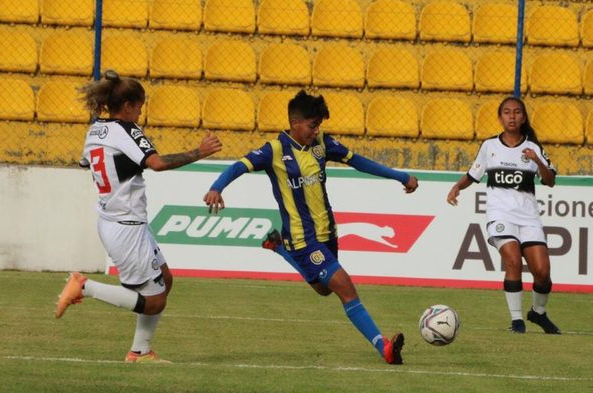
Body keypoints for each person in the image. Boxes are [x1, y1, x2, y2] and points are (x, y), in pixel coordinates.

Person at [204, 90, 418, 364]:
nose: (316, 130)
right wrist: (216, 188)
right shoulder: (274, 151)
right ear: (295, 123)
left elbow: (360, 162)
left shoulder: (322, 144)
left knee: (324, 289)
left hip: (327, 232)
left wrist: (400, 176)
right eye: (312, 125)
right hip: (302, 238)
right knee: (345, 287)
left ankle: (278, 248)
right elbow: (239, 166)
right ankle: (384, 348)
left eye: (319, 125)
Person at [55, 70, 222, 362]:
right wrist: (200, 151)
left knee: (165, 280)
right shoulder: (127, 130)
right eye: (140, 106)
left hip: (116, 220)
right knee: (154, 303)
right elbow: (156, 163)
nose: (141, 113)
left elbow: (86, 162)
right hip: (126, 226)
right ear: (129, 104)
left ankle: (140, 351)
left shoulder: (96, 130)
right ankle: (85, 287)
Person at [446, 96, 560, 334]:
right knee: (512, 261)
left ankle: (537, 314)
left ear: (524, 117)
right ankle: (517, 321)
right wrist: (457, 186)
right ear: (500, 117)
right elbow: (473, 174)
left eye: (517, 112)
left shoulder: (534, 147)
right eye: (507, 112)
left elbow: (550, 181)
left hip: (528, 217)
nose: (512, 116)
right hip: (500, 215)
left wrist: (537, 160)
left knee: (542, 271)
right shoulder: (490, 146)